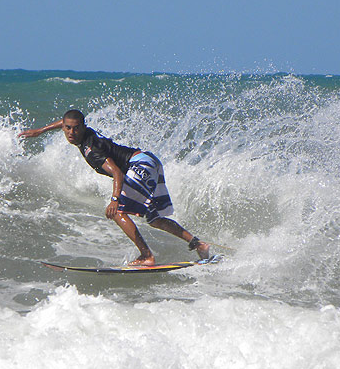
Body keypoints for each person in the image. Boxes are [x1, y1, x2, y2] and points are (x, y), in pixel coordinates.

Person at [19, 109, 210, 266]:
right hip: (149, 161)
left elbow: (117, 172)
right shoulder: (83, 132)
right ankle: (198, 244)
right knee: (154, 219)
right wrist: (41, 130)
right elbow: (65, 122)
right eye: (67, 128)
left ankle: (146, 256)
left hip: (139, 166)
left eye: (75, 129)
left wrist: (114, 199)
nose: (71, 132)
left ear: (83, 127)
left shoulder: (91, 150)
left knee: (118, 212)